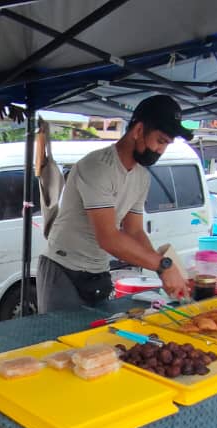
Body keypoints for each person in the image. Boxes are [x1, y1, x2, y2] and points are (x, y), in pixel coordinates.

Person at [38, 95, 194, 312]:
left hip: (98, 271)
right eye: (160, 141)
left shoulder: (141, 177)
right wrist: (163, 266)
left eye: (166, 144)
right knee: (61, 344)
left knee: (100, 341)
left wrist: (162, 270)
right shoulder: (97, 167)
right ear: (138, 130)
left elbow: (135, 231)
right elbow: (109, 238)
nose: (161, 150)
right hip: (63, 269)